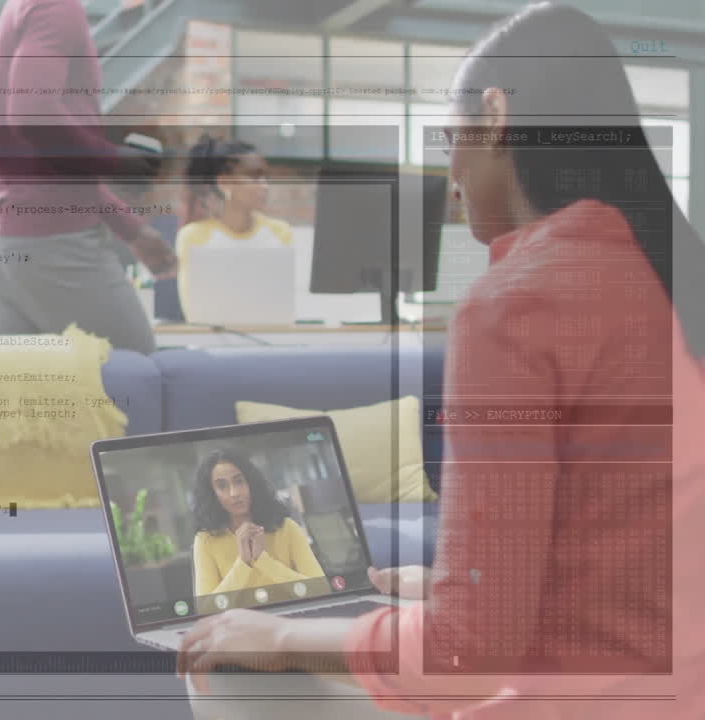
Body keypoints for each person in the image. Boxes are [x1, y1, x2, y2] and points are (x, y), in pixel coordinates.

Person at [175, 4, 705, 719]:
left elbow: (466, 658)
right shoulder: (673, 280)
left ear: (494, 115)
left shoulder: (515, 305)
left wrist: (277, 634)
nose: (449, 169)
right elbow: (644, 554)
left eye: (451, 137)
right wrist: (480, 586)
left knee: (233, 667)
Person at [0, 0, 177, 355]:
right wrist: (118, 162)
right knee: (138, 379)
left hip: (10, 246)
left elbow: (51, 163)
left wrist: (131, 229)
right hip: (56, 248)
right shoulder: (56, 7)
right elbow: (33, 114)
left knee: (17, 402)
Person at [175, 133, 294, 321]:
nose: (265, 186)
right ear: (224, 182)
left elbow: (283, 307)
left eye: (265, 178)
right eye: (254, 178)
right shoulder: (193, 236)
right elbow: (194, 312)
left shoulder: (280, 232)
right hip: (211, 344)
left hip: (270, 342)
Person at [191, 449, 324, 610]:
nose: (234, 493)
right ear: (212, 494)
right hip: (239, 629)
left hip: (291, 624)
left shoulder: (287, 528)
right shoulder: (205, 540)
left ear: (251, 483)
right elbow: (205, 610)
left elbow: (321, 590)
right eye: (222, 486)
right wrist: (243, 563)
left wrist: (263, 561)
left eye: (239, 481)